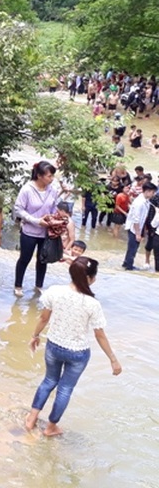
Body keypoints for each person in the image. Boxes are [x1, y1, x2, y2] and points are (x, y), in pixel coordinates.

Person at [24, 257, 122, 437]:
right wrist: (113, 360)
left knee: (48, 381)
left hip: (54, 346)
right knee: (65, 389)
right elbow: (99, 334)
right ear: (91, 278)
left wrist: (35, 336)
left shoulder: (54, 291)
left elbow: (44, 318)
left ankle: (31, 419)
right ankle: (50, 427)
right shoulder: (92, 304)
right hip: (78, 353)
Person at [13, 161, 61, 297]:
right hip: (29, 231)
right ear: (39, 176)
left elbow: (54, 207)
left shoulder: (53, 190)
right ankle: (18, 285)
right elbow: (18, 209)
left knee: (42, 259)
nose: (52, 179)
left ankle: (39, 285)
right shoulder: (27, 189)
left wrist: (53, 219)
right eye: (49, 176)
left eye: (52, 176)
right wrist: (36, 221)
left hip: (45, 232)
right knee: (24, 259)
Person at [122, 181, 157, 270]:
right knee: (133, 248)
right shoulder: (139, 202)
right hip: (134, 227)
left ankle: (126, 264)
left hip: (139, 227)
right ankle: (128, 267)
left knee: (133, 247)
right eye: (153, 192)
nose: (153, 195)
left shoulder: (146, 200)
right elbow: (136, 219)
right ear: (147, 191)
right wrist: (138, 233)